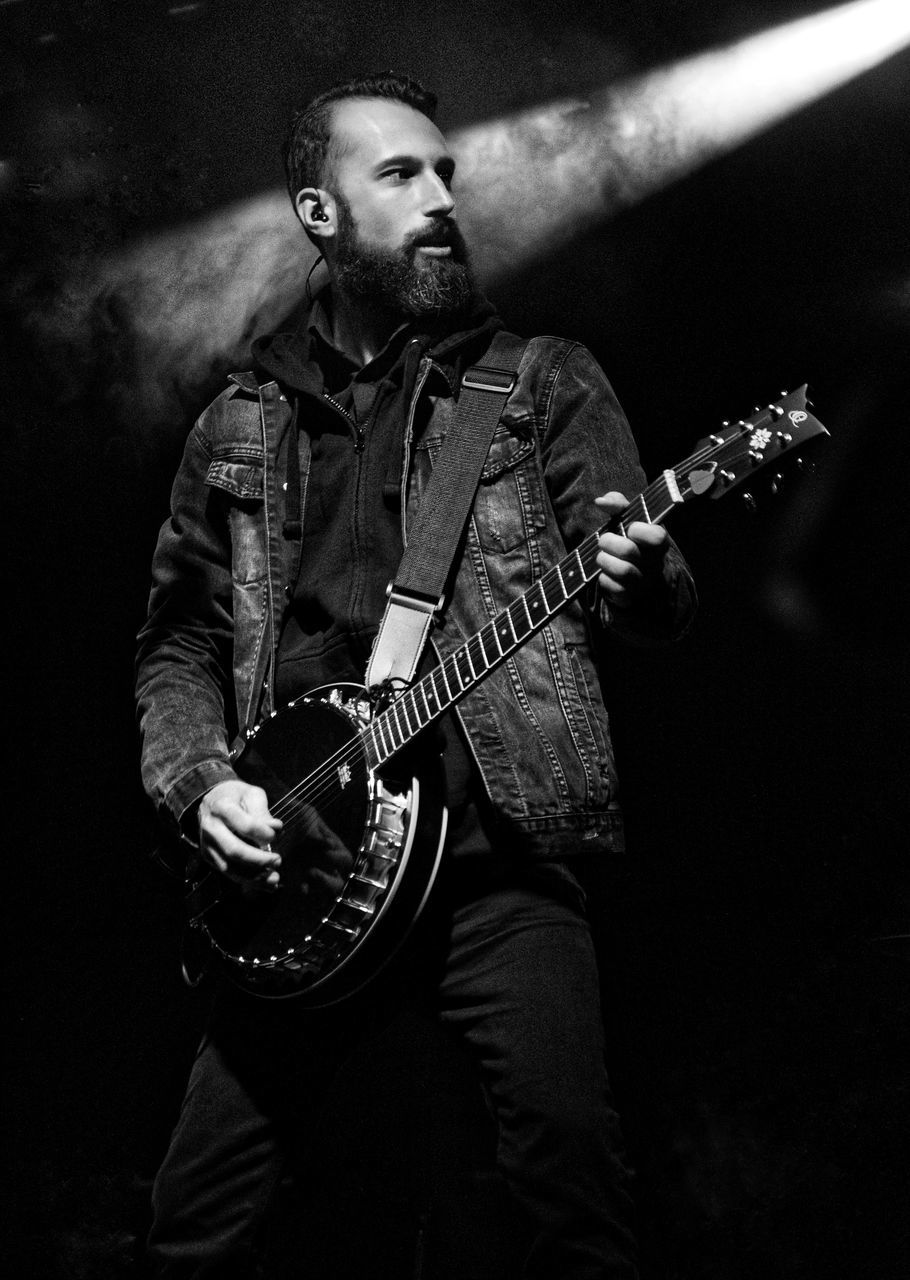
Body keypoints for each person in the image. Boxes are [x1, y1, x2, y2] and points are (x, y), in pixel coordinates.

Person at [136, 71, 696, 1279]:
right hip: (301, 862)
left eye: (449, 171)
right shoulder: (238, 422)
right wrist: (201, 788)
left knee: (571, 1185)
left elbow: (650, 603)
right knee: (197, 1222)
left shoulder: (538, 378)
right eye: (401, 173)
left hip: (498, 861)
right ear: (317, 212)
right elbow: (178, 643)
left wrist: (640, 577)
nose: (442, 196)